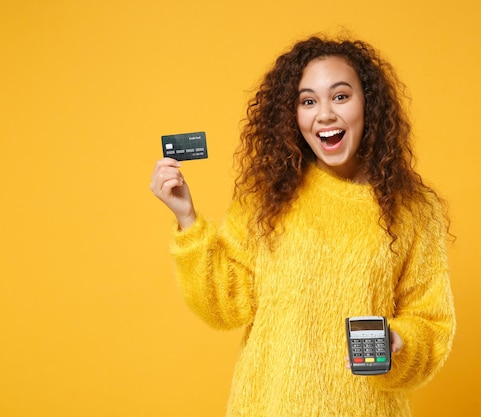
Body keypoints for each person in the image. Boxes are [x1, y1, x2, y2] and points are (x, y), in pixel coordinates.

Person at [150, 35, 456, 417]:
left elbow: (431, 322)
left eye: (340, 96)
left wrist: (399, 342)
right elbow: (225, 307)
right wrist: (187, 219)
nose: (324, 114)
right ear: (293, 116)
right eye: (308, 101)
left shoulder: (414, 209)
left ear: (369, 105)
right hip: (270, 405)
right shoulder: (269, 198)